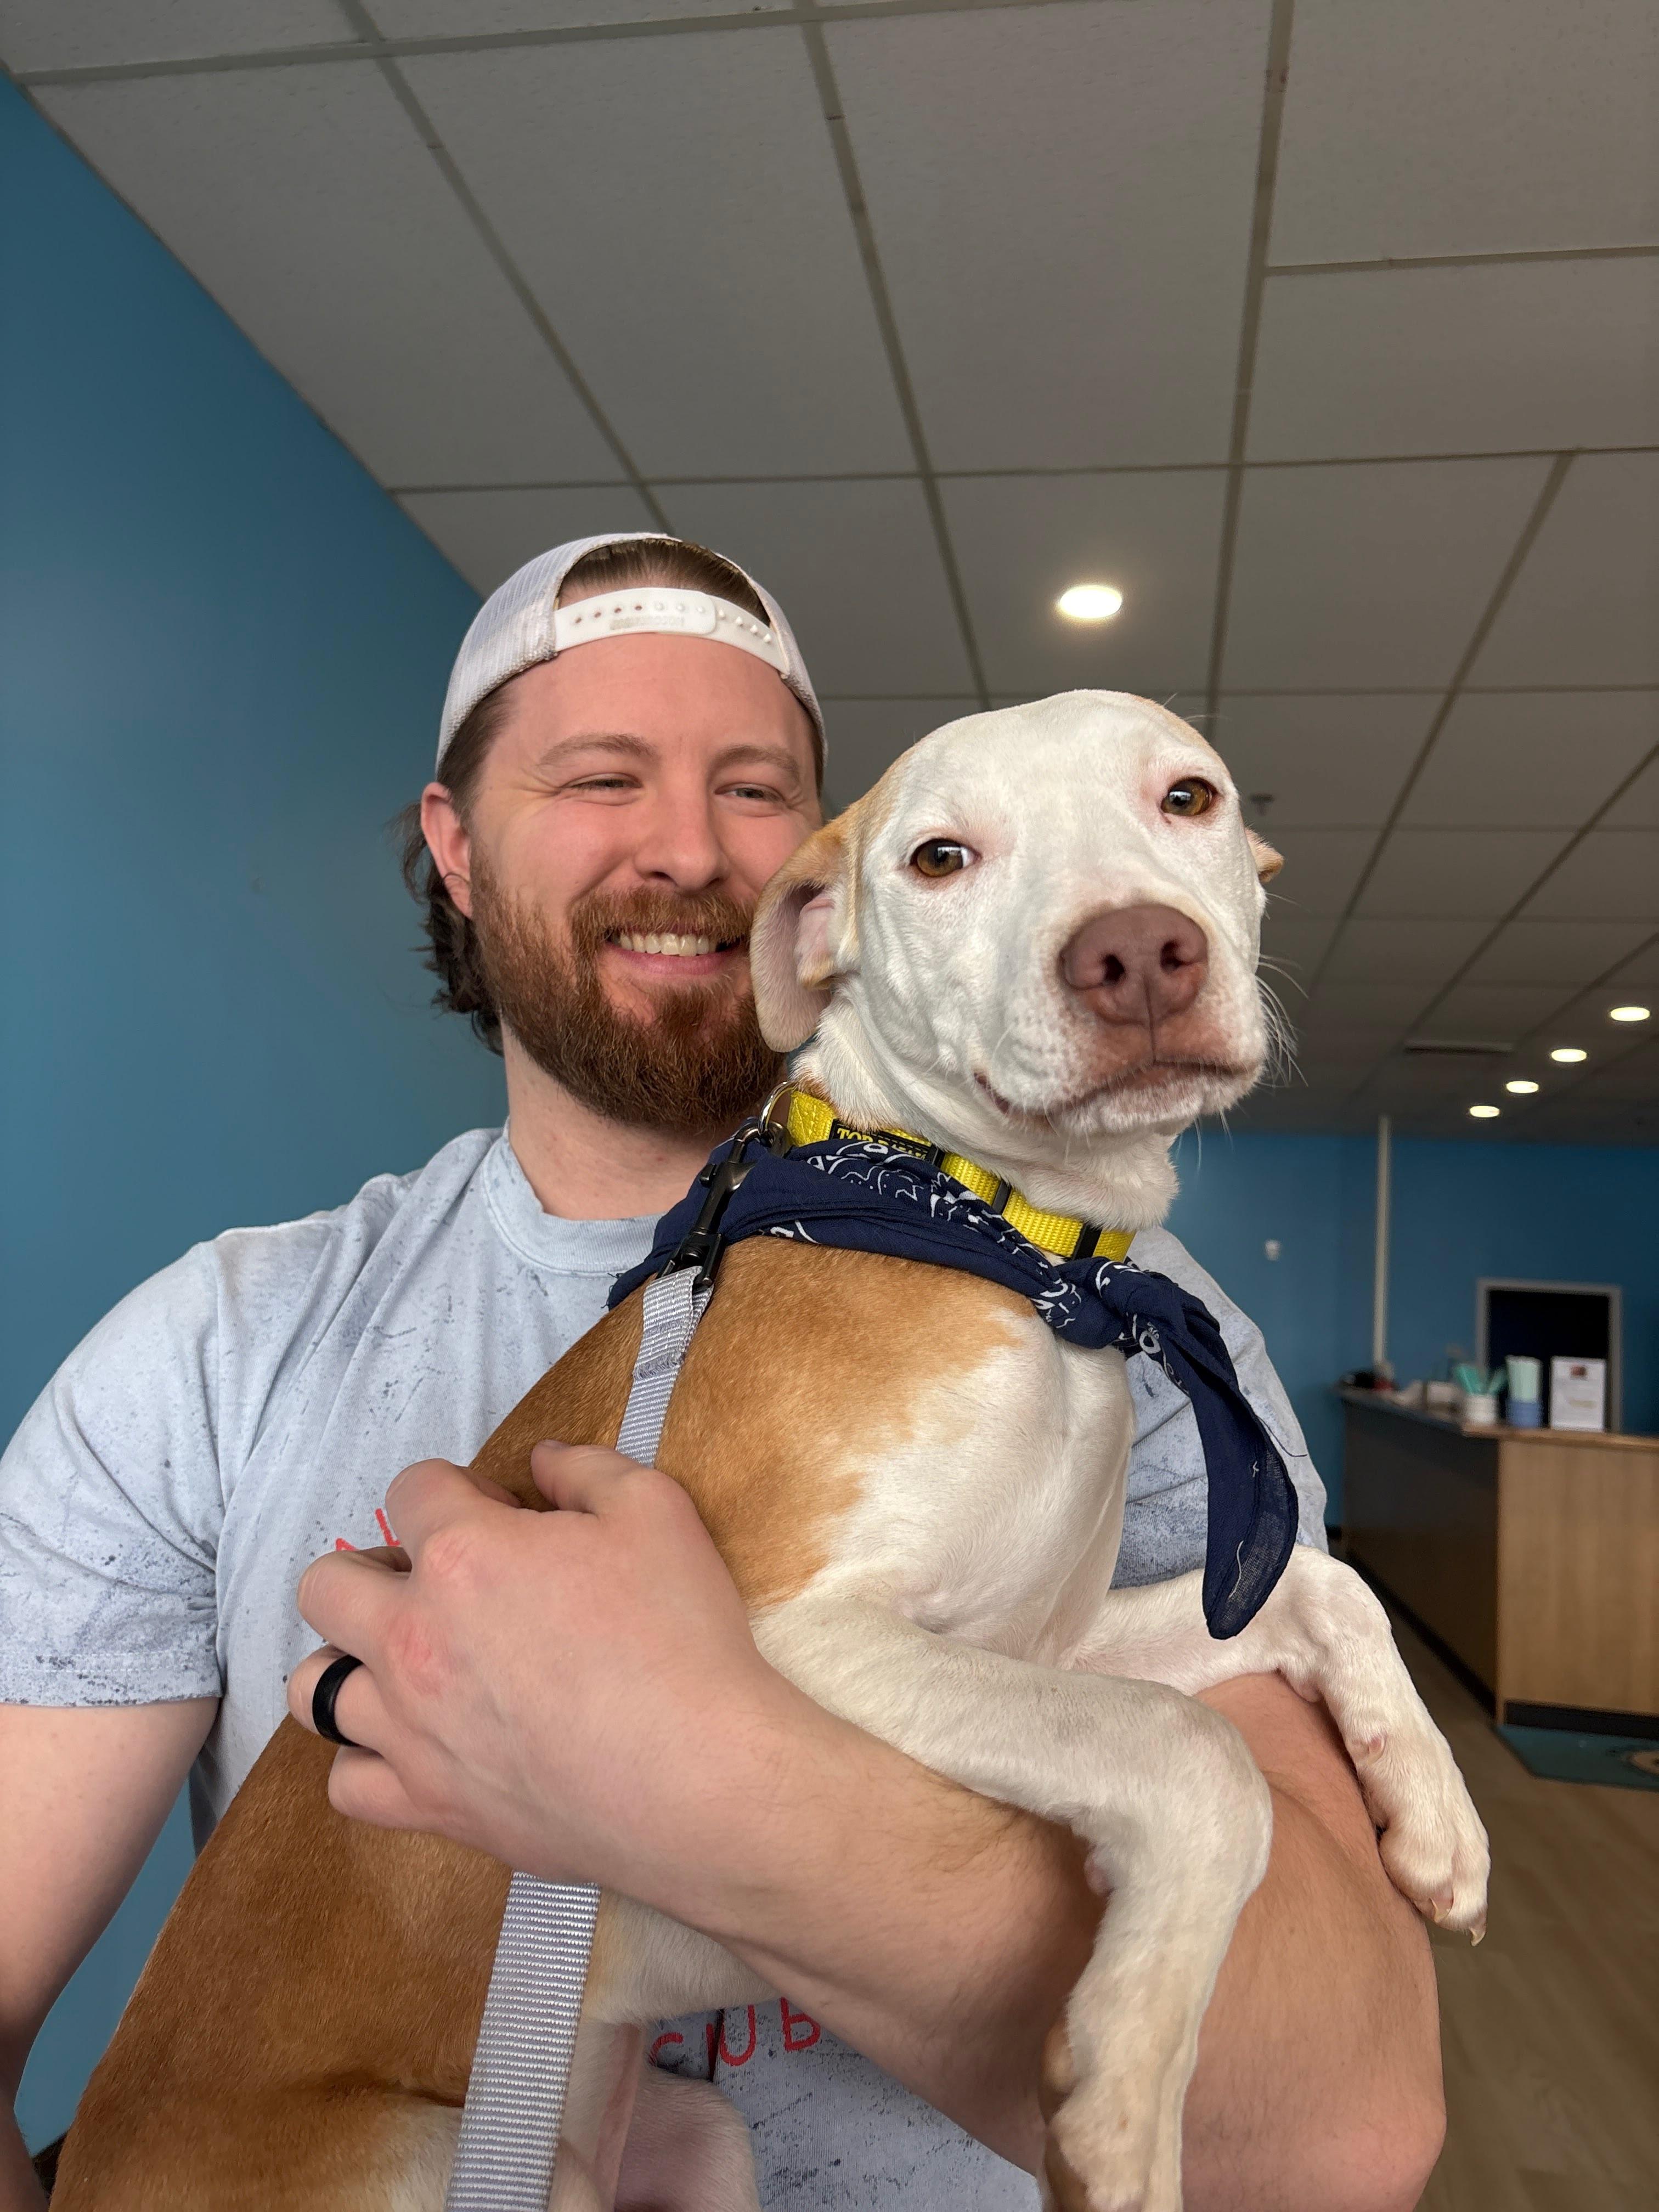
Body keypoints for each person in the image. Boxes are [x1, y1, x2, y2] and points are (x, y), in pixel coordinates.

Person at [0, 533, 1443, 2212]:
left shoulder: (1138, 1314)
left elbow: (1344, 2147)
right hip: (349, 2127)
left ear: (819, 900)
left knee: (704, 2154)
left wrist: (711, 1788)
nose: (688, 846)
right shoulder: (216, 1348)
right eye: (600, 777)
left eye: (754, 788)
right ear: (455, 852)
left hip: (662, 2136)